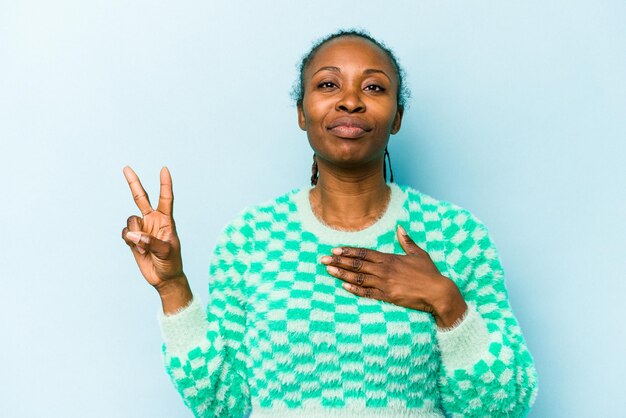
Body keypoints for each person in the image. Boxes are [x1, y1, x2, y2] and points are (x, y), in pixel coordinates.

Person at [121, 29, 538, 418]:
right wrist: (172, 285)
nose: (350, 101)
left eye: (373, 87)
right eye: (328, 85)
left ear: (397, 117)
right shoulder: (250, 238)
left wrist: (446, 301)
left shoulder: (456, 236)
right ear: (302, 113)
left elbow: (503, 407)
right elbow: (223, 404)